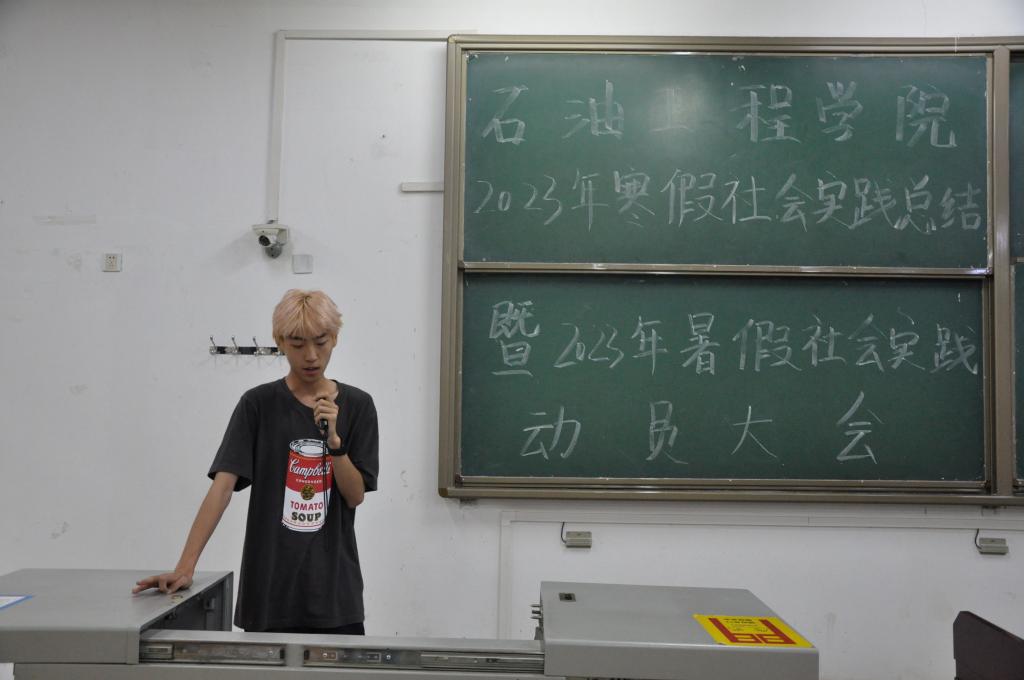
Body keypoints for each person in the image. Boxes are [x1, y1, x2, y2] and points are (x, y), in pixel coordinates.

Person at [132, 289, 379, 635]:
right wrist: (185, 567)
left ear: (335, 338)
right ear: (279, 341)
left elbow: (355, 496)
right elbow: (222, 489)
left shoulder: (358, 405)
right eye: (297, 344)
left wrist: (335, 445)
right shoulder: (258, 405)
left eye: (321, 342)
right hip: (268, 592)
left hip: (334, 596)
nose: (311, 356)